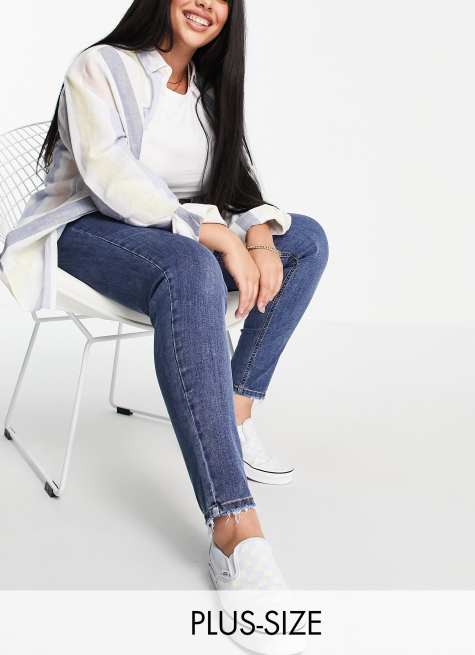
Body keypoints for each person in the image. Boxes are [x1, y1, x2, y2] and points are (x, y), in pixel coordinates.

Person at [6, 0, 329, 650]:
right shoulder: (100, 66)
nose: (205, 3)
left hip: (173, 233)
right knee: (191, 267)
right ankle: (233, 527)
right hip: (88, 227)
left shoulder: (209, 88)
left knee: (306, 241)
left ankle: (233, 414)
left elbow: (233, 182)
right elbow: (109, 178)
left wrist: (257, 235)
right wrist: (215, 236)